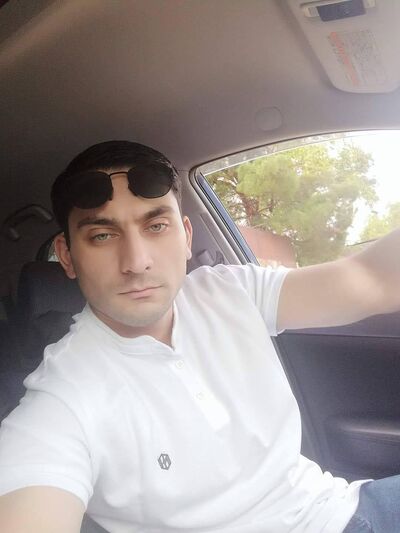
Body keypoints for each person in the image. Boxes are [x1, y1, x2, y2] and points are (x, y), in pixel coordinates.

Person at [0, 140, 399, 533]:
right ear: (67, 256)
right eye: (102, 235)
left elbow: (370, 279)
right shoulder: (62, 397)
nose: (137, 262)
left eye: (156, 226)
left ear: (186, 237)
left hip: (345, 506)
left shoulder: (229, 291)